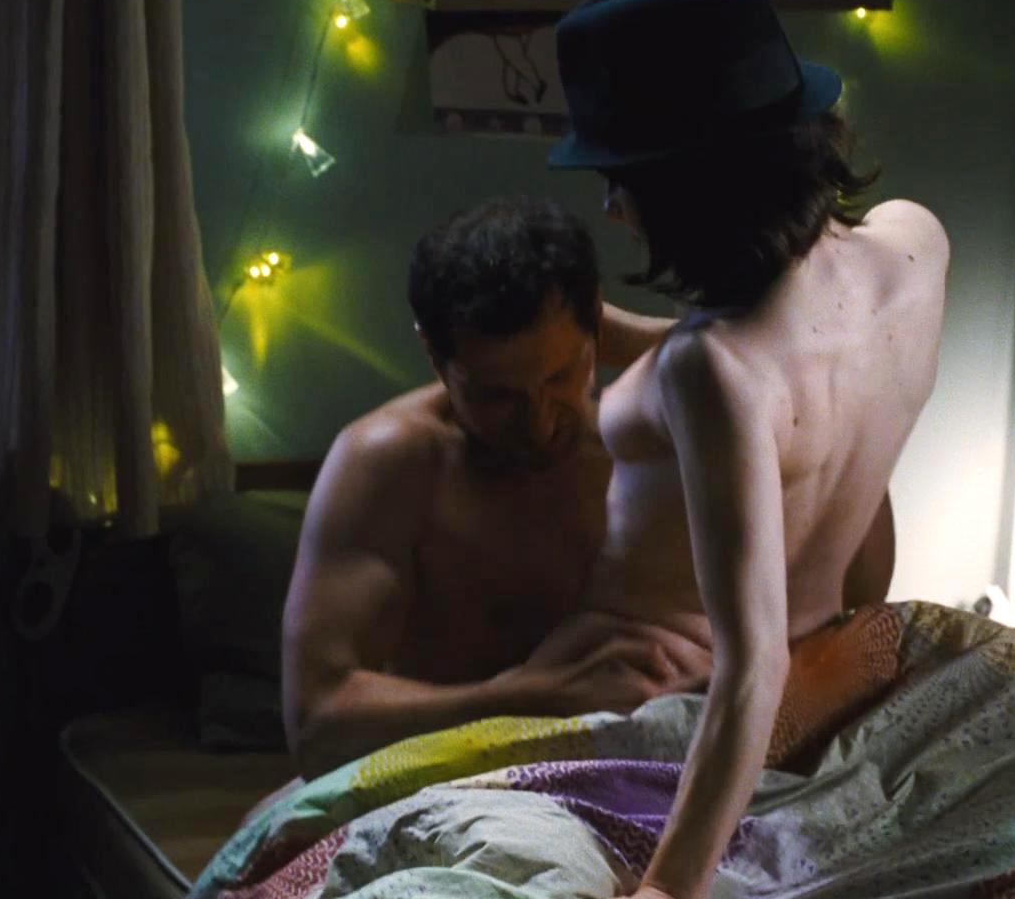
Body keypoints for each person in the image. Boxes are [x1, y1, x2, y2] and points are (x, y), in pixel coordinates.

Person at [545, 0, 949, 899]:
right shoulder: (916, 242)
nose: (610, 207)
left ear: (689, 185)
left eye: (619, 178)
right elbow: (802, 364)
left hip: (693, 713)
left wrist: (666, 890)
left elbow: (752, 668)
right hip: (835, 675)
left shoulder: (712, 370)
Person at [278, 198, 710, 780]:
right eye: (496, 396)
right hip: (451, 778)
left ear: (597, 332)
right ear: (435, 356)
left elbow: (766, 362)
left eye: (561, 375)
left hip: (631, 766)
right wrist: (531, 697)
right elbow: (316, 724)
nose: (539, 423)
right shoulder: (392, 463)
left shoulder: (644, 436)